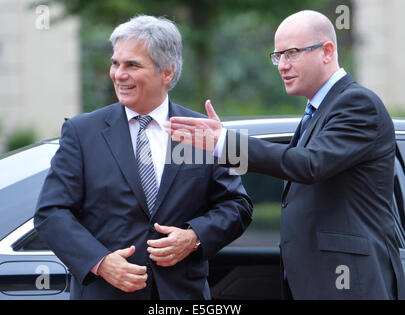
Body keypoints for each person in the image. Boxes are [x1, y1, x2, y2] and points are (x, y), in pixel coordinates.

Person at [165, 10, 405, 299]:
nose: (282, 66)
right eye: (278, 56)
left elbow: (308, 165)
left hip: (349, 282)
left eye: (291, 53)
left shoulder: (356, 103)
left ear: (327, 51)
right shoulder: (318, 111)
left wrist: (226, 142)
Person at [34, 15, 252, 300]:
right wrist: (100, 262)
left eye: (132, 65)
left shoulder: (206, 130)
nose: (118, 74)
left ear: (167, 73)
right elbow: (50, 213)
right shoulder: (80, 131)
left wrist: (194, 237)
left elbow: (240, 205)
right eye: (115, 63)